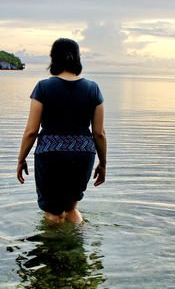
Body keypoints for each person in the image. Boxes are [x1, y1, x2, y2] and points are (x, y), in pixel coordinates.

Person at [16, 38, 107, 224]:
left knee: (53, 212)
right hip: (83, 153)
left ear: (53, 59)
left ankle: (53, 252)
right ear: (78, 58)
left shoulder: (43, 87)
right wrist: (103, 163)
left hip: (50, 155)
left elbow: (31, 131)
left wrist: (21, 159)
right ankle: (77, 248)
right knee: (71, 208)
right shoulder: (93, 88)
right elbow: (99, 133)